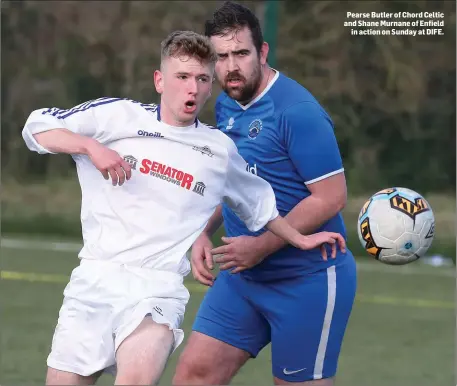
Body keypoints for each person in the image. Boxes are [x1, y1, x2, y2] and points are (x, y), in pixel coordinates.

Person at [22, 30, 346, 386]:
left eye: (202, 79)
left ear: (210, 87)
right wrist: (89, 147)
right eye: (182, 77)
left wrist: (299, 239)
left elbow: (261, 207)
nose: (192, 88)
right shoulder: (117, 117)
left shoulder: (218, 150)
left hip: (157, 290)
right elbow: (37, 126)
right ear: (159, 80)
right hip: (94, 283)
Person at [173, 2, 357, 386]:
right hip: (244, 279)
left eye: (241, 53)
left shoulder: (298, 112)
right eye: (221, 57)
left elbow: (330, 197)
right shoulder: (225, 103)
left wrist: (259, 246)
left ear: (263, 52)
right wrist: (203, 231)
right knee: (193, 375)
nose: (231, 66)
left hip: (308, 280)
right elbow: (236, 181)